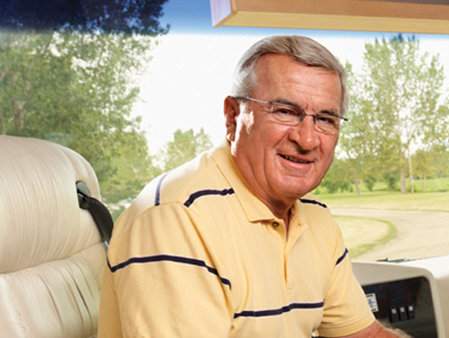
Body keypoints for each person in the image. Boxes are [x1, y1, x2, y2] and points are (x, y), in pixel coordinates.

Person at [98, 35, 400, 337]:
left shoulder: (315, 219)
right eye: (285, 111)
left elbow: (365, 335)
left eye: (325, 119)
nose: (307, 140)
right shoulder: (175, 216)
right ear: (232, 116)